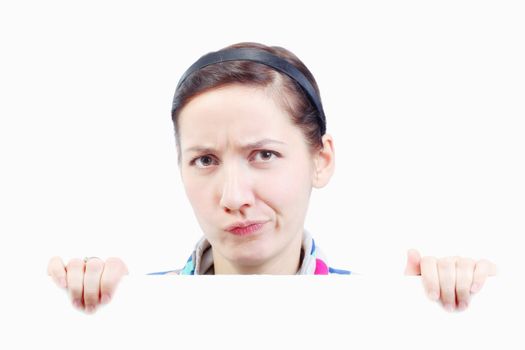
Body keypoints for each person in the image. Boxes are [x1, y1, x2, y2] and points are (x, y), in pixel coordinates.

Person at [47, 42, 497, 314]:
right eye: (204, 160)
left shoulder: (375, 311)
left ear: (320, 160)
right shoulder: (134, 307)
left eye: (263, 154)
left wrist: (440, 318)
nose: (233, 196)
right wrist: (105, 317)